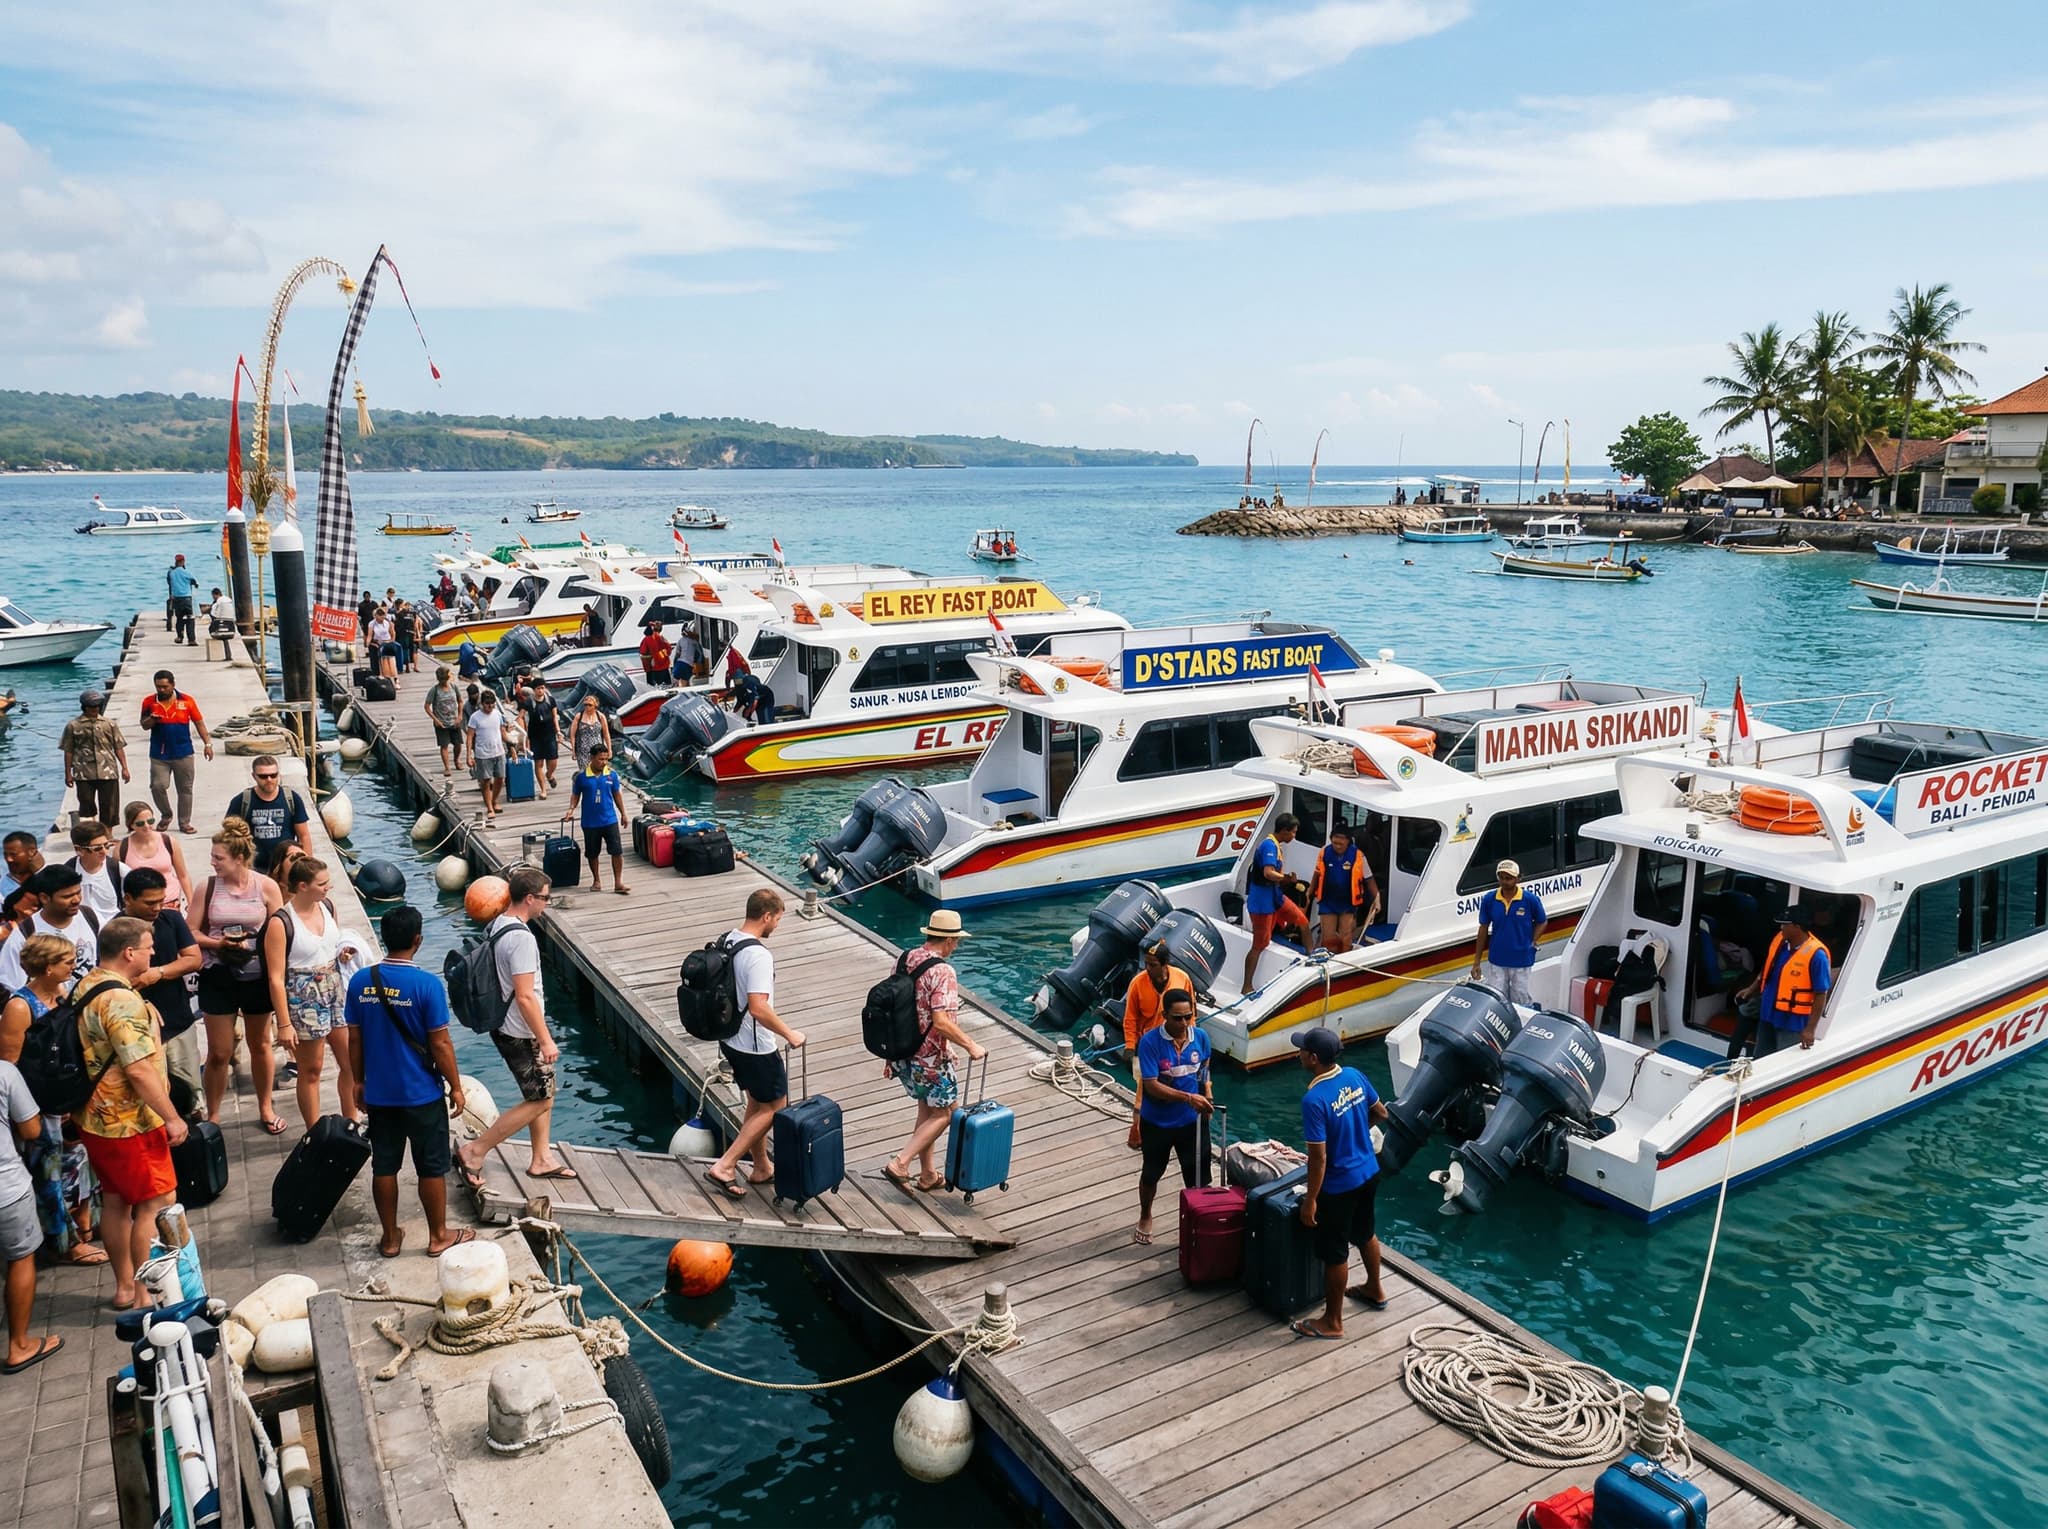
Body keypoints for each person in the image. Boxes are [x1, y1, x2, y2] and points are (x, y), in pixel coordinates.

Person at [76, 917, 188, 1312]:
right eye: (148, 946)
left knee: (116, 1200)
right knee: (155, 1201)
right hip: (131, 1122)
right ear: (129, 953)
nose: (153, 952)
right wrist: (172, 1117)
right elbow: (138, 1068)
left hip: (95, 1119)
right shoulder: (121, 1002)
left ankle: (124, 1286)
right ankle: (144, 1293)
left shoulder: (89, 984)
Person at [346, 906, 471, 1258]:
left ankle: (389, 1238)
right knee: (431, 1166)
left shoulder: (360, 981)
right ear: (418, 939)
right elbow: (441, 1044)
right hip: (421, 1093)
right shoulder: (427, 985)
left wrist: (358, 1082)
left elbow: (354, 1040)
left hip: (380, 1093)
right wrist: (457, 1086)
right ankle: (438, 1236)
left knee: (385, 1164)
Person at [454, 868, 571, 1187]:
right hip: (521, 1031)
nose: (547, 904)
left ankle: (541, 1157)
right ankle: (475, 1151)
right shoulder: (521, 938)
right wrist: (545, 1039)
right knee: (541, 1100)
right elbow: (525, 996)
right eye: (545, 897)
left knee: (542, 1090)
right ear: (530, 898)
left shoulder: (500, 924)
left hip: (506, 1025)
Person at [0, 934, 108, 1268]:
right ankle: (66, 1243)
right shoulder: (20, 1007)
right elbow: (10, 1066)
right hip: (38, 1106)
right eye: (66, 962)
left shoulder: (61, 993)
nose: (73, 966)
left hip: (66, 1099)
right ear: (48, 968)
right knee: (50, 1176)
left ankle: (85, 1223)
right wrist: (30, 1113)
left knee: (79, 1163)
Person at [1290, 1026, 1388, 1339]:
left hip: (1339, 1185)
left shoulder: (1314, 1099)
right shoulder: (1355, 1075)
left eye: (1302, 1049)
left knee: (1335, 1253)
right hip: (1369, 1171)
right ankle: (1374, 1288)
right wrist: (1355, 1130)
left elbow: (1318, 1159)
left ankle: (1333, 1321)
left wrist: (1310, 1200)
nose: (1299, 1053)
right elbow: (1381, 1112)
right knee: (1366, 1232)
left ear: (1314, 1058)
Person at [704, 889, 803, 1199]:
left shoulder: (728, 939)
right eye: (777, 920)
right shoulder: (759, 954)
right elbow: (759, 1007)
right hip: (756, 1045)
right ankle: (726, 1165)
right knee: (776, 1106)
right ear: (767, 916)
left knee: (756, 1102)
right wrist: (790, 1034)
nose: (777, 926)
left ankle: (761, 1166)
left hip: (731, 1038)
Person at [880, 911, 986, 1192]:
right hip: (928, 1057)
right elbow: (940, 1020)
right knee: (946, 1114)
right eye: (957, 941)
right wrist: (970, 1045)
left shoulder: (905, 958)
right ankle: (900, 1163)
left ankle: (928, 1175)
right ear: (950, 940)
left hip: (904, 1049)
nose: (957, 947)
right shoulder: (943, 971)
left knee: (927, 1111)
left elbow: (912, 1007)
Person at [195, 821, 286, 1131]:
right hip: (218, 972)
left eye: (218, 857)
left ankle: (265, 1107)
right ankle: (214, 1115)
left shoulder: (266, 887)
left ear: (238, 858)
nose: (213, 862)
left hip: (256, 973)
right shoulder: (206, 887)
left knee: (260, 1044)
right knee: (219, 1052)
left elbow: (281, 929)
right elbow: (191, 930)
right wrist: (217, 944)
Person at [265, 857, 360, 1131]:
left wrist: (342, 953)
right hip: (303, 994)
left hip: (335, 986)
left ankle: (352, 1119)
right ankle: (314, 1129)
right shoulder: (281, 922)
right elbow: (276, 977)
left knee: (350, 1060)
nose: (328, 887)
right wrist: (284, 1024)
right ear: (303, 886)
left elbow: (333, 943)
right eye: (322, 884)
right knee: (311, 1069)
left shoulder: (328, 906)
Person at [120, 868, 204, 1120]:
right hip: (141, 1032)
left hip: (178, 1021)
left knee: (192, 1095)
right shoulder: (116, 930)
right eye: (149, 902)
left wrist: (158, 972)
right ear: (128, 899)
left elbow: (194, 959)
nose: (156, 907)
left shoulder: (172, 919)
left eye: (161, 900)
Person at [1132, 989, 1212, 1246]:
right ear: (1164, 1015)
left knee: (1198, 1176)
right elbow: (1152, 1085)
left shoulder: (1201, 1037)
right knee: (1151, 1173)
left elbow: (1205, 1068)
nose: (1183, 1023)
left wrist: (1206, 1093)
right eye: (1177, 1018)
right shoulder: (1149, 1042)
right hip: (1158, 1122)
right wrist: (1189, 1098)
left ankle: (1196, 1222)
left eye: (1188, 1016)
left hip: (1193, 1122)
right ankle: (1145, 1214)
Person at [0, 1053, 63, 1372]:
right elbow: (31, 1128)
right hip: (6, 1187)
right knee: (20, 1258)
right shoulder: (4, 1073)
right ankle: (19, 1345)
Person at [1121, 940, 1193, 1144]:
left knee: (1177, 1086)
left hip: (1175, 1045)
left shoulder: (1182, 979)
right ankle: (1137, 1133)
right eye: (1146, 963)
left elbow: (1191, 1013)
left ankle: (1174, 1130)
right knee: (1143, 1090)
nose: (1147, 968)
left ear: (1165, 964)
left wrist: (1191, 1040)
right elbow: (1130, 1018)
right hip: (1148, 1046)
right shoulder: (1137, 983)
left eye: (1153, 964)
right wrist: (1129, 1046)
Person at [1736, 906, 1831, 1057]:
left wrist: (1810, 1029)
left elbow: (1821, 993)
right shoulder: (1780, 943)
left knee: (1784, 1060)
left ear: (1797, 927)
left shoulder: (1817, 956)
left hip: (1792, 1021)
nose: (1781, 928)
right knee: (1761, 1058)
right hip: (1768, 1014)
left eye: (1784, 925)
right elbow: (1767, 968)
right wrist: (1751, 988)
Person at [138, 669, 213, 834]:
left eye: (165, 686)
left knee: (185, 789)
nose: (161, 690)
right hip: (159, 753)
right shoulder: (149, 702)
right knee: (157, 786)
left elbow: (199, 723)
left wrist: (207, 744)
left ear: (173, 685)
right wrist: (153, 719)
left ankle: (184, 822)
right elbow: (144, 725)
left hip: (183, 752)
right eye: (158, 687)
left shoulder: (187, 701)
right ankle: (166, 814)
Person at [1241, 813, 1307, 996]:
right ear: (1284, 831)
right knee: (1259, 944)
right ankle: (1247, 985)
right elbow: (1268, 873)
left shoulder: (1277, 846)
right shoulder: (1269, 845)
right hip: (1262, 903)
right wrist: (1287, 878)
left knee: (1302, 921)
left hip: (1275, 898)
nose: (1294, 836)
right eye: (1293, 833)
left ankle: (1312, 956)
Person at [1470, 858, 1546, 1005]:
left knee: (1521, 998)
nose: (1505, 882)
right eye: (1502, 878)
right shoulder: (1489, 899)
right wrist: (1476, 961)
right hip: (1497, 959)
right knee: (1497, 999)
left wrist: (1532, 941)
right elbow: (1483, 928)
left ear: (1518, 878)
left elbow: (1542, 921)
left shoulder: (1530, 900)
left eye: (1509, 878)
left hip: (1522, 960)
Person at [224, 755, 314, 877]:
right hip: (253, 870)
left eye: (274, 775)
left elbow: (304, 836)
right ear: (253, 776)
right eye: (263, 776)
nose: (269, 779)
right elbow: (230, 838)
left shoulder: (292, 799)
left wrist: (307, 867)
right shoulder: (241, 801)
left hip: (285, 868)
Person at [565, 744, 630, 894]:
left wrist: (623, 813)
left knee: (617, 851)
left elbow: (616, 794)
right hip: (590, 822)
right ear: (592, 758)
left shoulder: (611, 775)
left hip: (609, 819)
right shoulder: (581, 777)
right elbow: (575, 795)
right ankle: (596, 880)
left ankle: (618, 882)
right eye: (601, 759)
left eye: (606, 759)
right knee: (592, 853)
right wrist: (571, 809)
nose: (604, 762)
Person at [59, 689, 129, 827]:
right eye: (91, 707)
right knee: (86, 804)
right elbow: (68, 751)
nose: (94, 709)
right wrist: (68, 774)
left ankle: (107, 834)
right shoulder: (73, 726)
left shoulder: (109, 724)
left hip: (107, 771)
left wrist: (124, 768)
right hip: (83, 772)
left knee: (109, 805)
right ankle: (92, 831)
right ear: (84, 707)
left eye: (97, 706)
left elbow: (118, 747)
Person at [1310, 822, 1380, 956]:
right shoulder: (1324, 852)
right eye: (1335, 843)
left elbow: (1369, 878)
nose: (1337, 846)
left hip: (1348, 901)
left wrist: (1377, 899)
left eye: (1341, 843)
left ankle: (1345, 957)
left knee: (1345, 934)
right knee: (1328, 936)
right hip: (1328, 900)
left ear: (1348, 841)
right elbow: (1317, 874)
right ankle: (1329, 957)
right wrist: (1309, 892)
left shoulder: (1358, 856)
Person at [25, 865, 99, 980]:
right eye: (67, 896)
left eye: (78, 892)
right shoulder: (26, 932)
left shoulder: (88, 916)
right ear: (44, 898)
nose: (76, 900)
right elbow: (11, 986)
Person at [118, 802, 193, 913]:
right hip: (140, 905)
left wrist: (191, 901)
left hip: (169, 902)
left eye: (150, 821)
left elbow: (183, 875)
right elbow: (118, 881)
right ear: (131, 825)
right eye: (140, 823)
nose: (147, 826)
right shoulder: (122, 848)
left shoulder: (168, 841)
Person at [66, 818, 124, 923]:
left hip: (113, 929)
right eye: (97, 848)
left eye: (107, 846)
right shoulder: (67, 872)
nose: (104, 852)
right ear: (79, 850)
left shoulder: (117, 869)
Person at [466, 690, 509, 821]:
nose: (490, 707)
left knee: (500, 779)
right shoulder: (475, 717)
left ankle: (494, 800)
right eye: (487, 704)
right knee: (485, 782)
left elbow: (503, 732)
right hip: (482, 754)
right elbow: (470, 737)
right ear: (482, 703)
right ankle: (489, 807)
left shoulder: (497, 714)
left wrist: (512, 744)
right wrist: (469, 755)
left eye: (492, 704)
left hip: (499, 751)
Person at [425, 666, 466, 778]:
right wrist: (435, 720)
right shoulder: (435, 690)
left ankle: (457, 760)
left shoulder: (453, 687)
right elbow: (427, 706)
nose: (444, 681)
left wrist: (460, 715)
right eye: (442, 679)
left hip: (454, 721)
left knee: (458, 744)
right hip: (441, 723)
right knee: (444, 745)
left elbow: (460, 701)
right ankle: (447, 767)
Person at [522, 678, 560, 797]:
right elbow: (521, 716)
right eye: (538, 688)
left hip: (549, 734)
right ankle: (543, 790)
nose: (541, 690)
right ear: (534, 690)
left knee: (553, 761)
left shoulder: (550, 700)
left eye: (543, 688)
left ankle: (549, 775)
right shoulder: (529, 702)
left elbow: (555, 717)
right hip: (535, 736)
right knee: (539, 763)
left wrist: (558, 731)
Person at [570, 691, 611, 772]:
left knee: (599, 771)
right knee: (585, 772)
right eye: (585, 705)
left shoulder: (601, 716)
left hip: (598, 750)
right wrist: (573, 750)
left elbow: (606, 734)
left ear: (595, 706)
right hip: (583, 751)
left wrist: (609, 749)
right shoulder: (579, 716)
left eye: (590, 705)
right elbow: (572, 735)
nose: (587, 707)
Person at [1, 831, 44, 899]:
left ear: (32, 852)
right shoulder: (2, 889)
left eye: (13, 854)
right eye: (5, 854)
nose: (8, 859)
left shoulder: (48, 878)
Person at [165, 555, 197, 645]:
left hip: (176, 599)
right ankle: (191, 639)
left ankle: (180, 636)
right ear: (183, 561)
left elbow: (169, 582)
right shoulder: (185, 572)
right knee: (190, 618)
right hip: (186, 598)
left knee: (179, 619)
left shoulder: (172, 573)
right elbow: (194, 580)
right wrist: (194, 584)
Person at [207, 588, 236, 654]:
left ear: (215, 595)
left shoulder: (217, 602)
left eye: (213, 596)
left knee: (212, 628)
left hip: (219, 630)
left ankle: (218, 653)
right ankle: (228, 653)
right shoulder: (229, 601)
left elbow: (213, 614)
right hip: (231, 629)